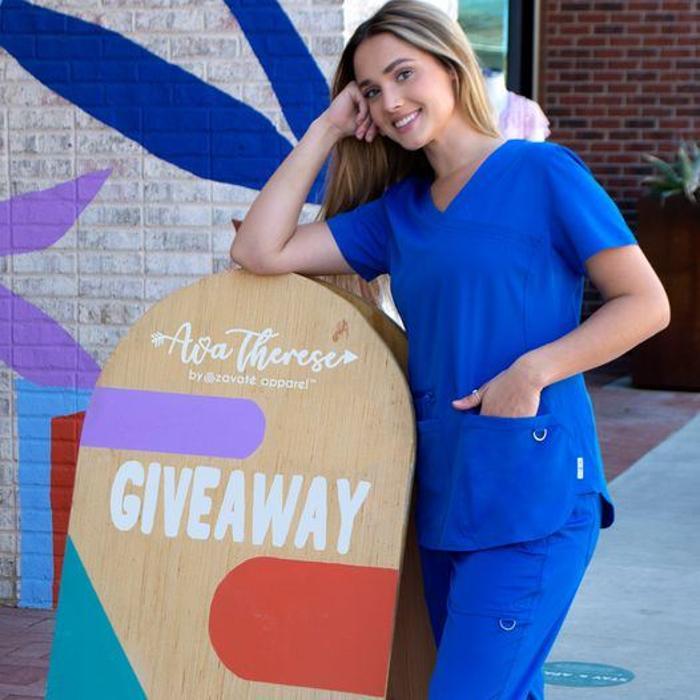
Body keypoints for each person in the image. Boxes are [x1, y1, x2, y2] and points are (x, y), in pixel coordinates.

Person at [229, 1, 670, 696]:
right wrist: (326, 128)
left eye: (404, 74)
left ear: (452, 66)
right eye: (371, 89)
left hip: (533, 491)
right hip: (445, 497)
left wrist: (533, 371)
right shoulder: (398, 215)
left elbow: (646, 303)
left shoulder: (543, 173)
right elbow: (259, 251)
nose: (390, 101)